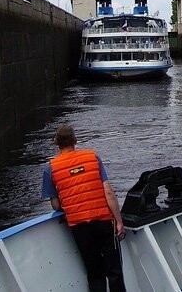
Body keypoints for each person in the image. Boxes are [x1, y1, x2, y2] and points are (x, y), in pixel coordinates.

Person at [41, 124, 126, 291]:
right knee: (114, 270)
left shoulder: (50, 168)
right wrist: (119, 222)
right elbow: (108, 192)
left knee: (94, 273)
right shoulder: (92, 157)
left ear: (56, 142)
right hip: (103, 221)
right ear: (75, 140)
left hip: (79, 226)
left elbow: (56, 204)